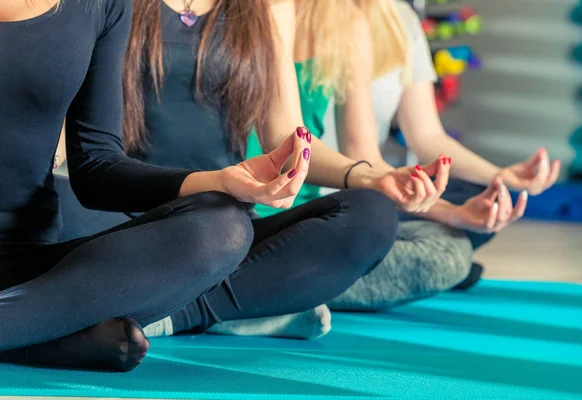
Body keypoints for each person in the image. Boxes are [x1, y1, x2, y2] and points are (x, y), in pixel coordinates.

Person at [0, 0, 398, 373]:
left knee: (363, 216)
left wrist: (365, 177)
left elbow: (287, 136)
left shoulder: (263, 7)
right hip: (106, 216)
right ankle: (65, 322)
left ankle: (155, 313)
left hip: (201, 220)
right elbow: (75, 147)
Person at [246, 0, 534, 315]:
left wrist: (454, 213)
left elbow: (366, 156)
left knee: (434, 243)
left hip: (307, 215)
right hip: (242, 211)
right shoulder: (246, 12)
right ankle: (285, 287)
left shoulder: (349, 23)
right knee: (439, 252)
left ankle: (282, 285)